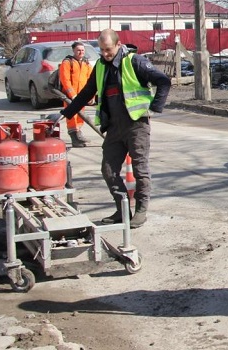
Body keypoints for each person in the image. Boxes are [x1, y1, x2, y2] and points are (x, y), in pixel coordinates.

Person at [59, 29, 171, 229]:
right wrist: (66, 113)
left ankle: (141, 211)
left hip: (136, 125)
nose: (104, 54)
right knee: (108, 170)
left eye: (108, 50)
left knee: (140, 170)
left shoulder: (134, 61)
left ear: (118, 45)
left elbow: (163, 81)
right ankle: (122, 209)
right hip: (113, 128)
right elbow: (86, 92)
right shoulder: (101, 66)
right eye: (101, 50)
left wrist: (155, 106)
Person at [59, 41, 94, 148]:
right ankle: (74, 137)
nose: (81, 52)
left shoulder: (86, 63)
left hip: (82, 95)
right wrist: (72, 94)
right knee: (72, 116)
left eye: (82, 50)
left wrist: (91, 96)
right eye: (78, 50)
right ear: (73, 50)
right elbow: (65, 80)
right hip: (71, 96)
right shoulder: (67, 62)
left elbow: (91, 80)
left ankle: (78, 133)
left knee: (80, 116)